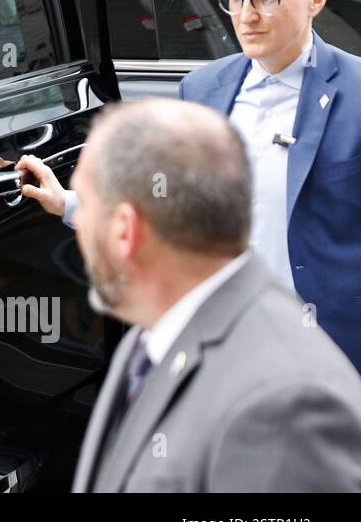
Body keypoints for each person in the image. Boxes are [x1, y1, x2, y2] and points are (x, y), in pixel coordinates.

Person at [21, 0, 361, 374]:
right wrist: (67, 202)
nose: (246, 15)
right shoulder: (204, 89)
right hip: (223, 346)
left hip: (329, 351)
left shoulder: (355, 91)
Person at [61, 99, 361, 491]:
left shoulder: (283, 407)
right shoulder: (150, 333)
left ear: (124, 231)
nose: (78, 222)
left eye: (85, 206)